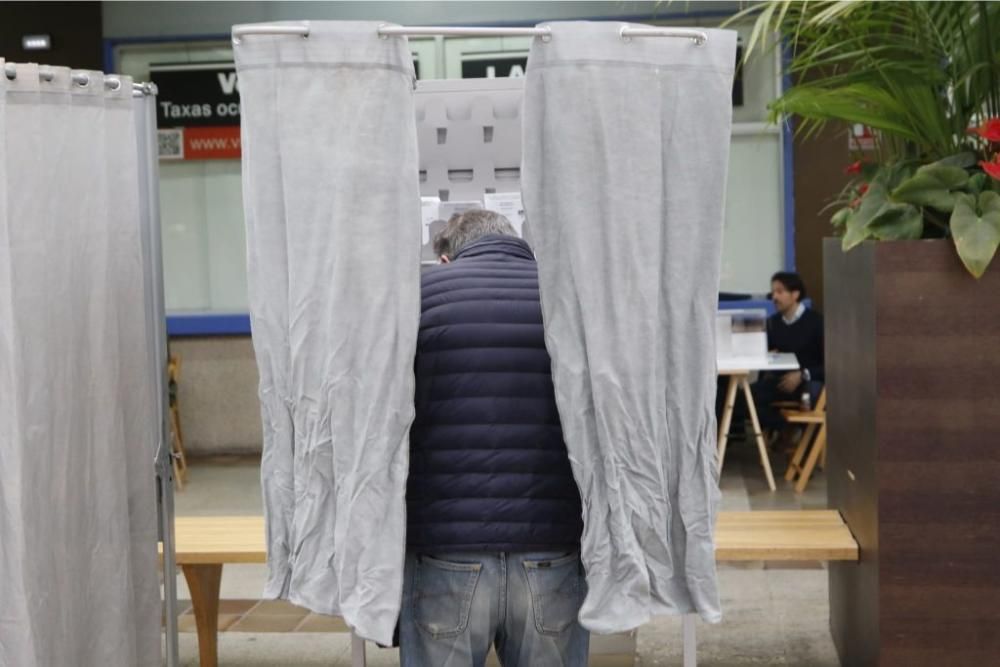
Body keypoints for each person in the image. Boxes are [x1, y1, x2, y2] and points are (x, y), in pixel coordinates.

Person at [400, 209, 589, 666]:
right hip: (552, 546)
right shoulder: (566, 299)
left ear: (447, 259)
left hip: (446, 550)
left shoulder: (419, 299)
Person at [753, 271, 825, 429]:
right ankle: (787, 426)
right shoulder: (773, 323)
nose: (774, 298)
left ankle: (806, 439)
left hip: (809, 381)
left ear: (795, 294)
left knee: (813, 393)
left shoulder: (816, 322)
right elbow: (766, 353)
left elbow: (830, 364)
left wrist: (803, 374)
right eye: (772, 292)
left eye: (780, 292)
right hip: (781, 382)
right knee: (744, 399)